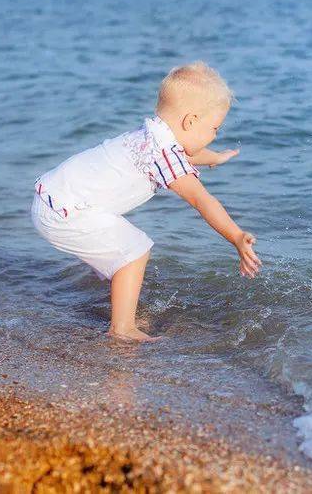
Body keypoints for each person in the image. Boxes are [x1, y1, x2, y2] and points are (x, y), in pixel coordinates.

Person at [30, 61, 261, 342]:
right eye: (215, 128)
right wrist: (236, 236)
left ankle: (120, 311)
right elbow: (201, 199)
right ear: (190, 121)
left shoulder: (154, 136)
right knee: (135, 249)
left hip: (55, 198)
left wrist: (214, 157)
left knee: (122, 253)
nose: (215, 135)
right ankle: (122, 329)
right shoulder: (162, 153)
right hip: (66, 211)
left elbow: (186, 154)